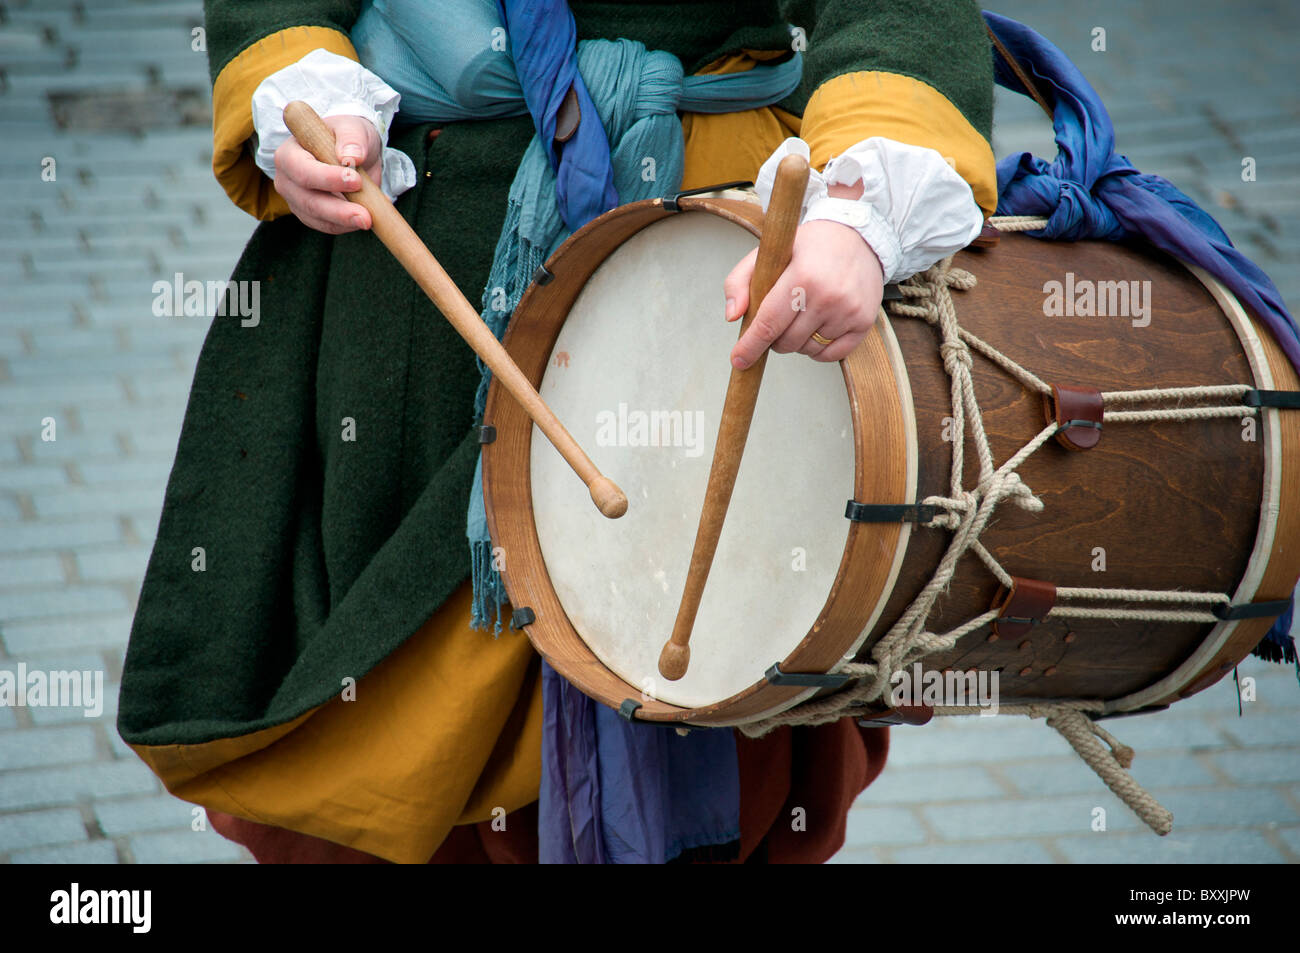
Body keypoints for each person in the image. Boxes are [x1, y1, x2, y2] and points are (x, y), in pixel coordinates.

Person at [117, 0, 998, 863]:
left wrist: (857, 211)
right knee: (390, 715)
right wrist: (300, 75)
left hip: (716, 272)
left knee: (732, 673)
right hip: (409, 278)